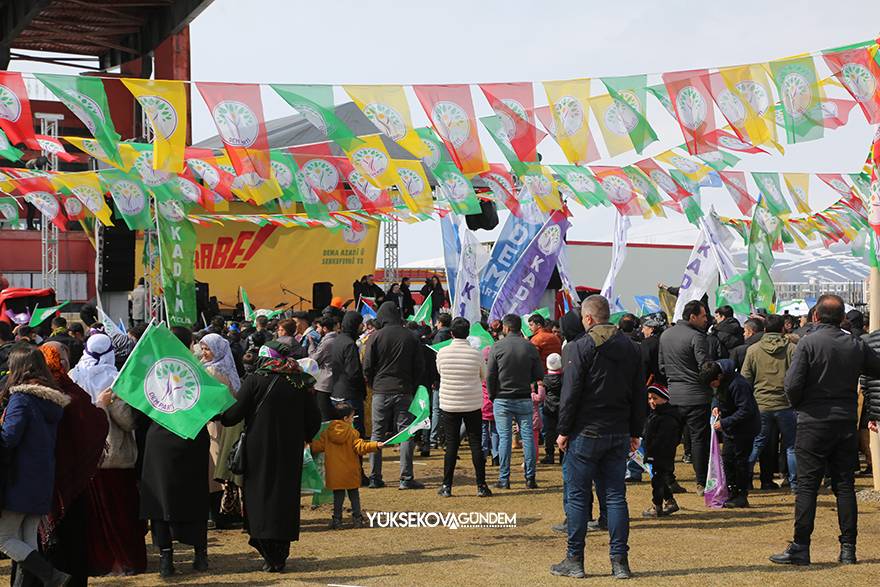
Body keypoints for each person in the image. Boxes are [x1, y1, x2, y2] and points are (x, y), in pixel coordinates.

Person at [771, 294, 880, 566]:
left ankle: (801, 546)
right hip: (844, 422)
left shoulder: (808, 343)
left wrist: (800, 405)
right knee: (845, 486)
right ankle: (848, 549)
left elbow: (792, 384)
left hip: (812, 420)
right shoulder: (854, 343)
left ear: (816, 317)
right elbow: (876, 366)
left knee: (807, 487)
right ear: (843, 317)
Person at [552, 295, 645, 579]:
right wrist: (635, 431)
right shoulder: (632, 347)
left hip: (586, 431)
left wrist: (563, 430)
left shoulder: (580, 347)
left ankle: (575, 560)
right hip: (618, 430)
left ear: (589, 319)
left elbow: (571, 394)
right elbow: (639, 392)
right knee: (616, 496)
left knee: (579, 498)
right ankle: (620, 563)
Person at [220, 340, 321, 573]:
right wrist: (302, 436)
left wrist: (219, 416)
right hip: (290, 451)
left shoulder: (255, 379)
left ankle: (267, 551)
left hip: (258, 450)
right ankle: (281, 554)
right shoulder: (299, 381)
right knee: (284, 498)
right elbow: (313, 421)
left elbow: (233, 415)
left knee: (259, 497)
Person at [139, 329, 233, 578]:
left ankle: (166, 559)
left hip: (159, 437)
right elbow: (218, 407)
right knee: (194, 495)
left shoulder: (155, 369)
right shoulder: (198, 370)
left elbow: (139, 405)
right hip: (192, 436)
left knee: (161, 498)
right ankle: (200, 554)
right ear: (188, 344)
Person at [68, 332, 146, 575]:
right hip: (116, 458)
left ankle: (98, 561)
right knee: (122, 513)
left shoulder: (73, 376)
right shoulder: (114, 380)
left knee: (94, 515)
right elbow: (127, 421)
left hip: (85, 457)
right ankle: (125, 560)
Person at [0, 346, 72, 586]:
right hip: (41, 478)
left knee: (4, 538)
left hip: (20, 479)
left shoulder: (22, 398)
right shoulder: (48, 398)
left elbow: (8, 438)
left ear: (18, 369)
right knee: (28, 542)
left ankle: (53, 576)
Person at [38, 342, 108, 587]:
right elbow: (93, 427)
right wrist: (101, 407)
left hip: (43, 481)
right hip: (72, 485)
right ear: (63, 363)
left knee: (45, 542)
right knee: (72, 542)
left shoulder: (33, 391)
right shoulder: (70, 393)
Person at [364, 301, 425, 490]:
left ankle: (375, 477)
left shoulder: (374, 337)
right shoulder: (411, 337)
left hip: (381, 390)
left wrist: (373, 384)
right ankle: (406, 478)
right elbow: (419, 367)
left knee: (377, 433)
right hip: (404, 390)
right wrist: (413, 387)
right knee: (406, 433)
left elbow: (367, 366)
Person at [435, 317, 492, 498]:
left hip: (449, 404)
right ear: (468, 334)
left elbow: (440, 371)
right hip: (472, 403)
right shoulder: (476, 354)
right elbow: (483, 376)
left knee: (452, 445)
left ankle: (446, 486)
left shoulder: (442, 352)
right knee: (476, 444)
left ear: (451, 333)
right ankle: (481, 486)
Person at [658, 299, 710, 494]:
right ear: (692, 316)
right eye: (703, 316)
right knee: (698, 440)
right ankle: (701, 482)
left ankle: (669, 479)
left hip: (674, 395)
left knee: (671, 441)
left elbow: (662, 366)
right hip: (697, 396)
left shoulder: (665, 335)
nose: (706, 319)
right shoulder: (697, 337)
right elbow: (704, 367)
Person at [741, 314, 797, 492]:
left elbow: (745, 379)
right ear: (783, 329)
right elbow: (797, 377)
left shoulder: (753, 350)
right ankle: (795, 484)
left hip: (761, 404)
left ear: (764, 329)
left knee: (757, 444)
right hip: (786, 405)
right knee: (791, 446)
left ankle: (744, 480)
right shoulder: (792, 349)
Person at [487, 314, 543, 490]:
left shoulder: (497, 347)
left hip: (502, 397)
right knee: (528, 438)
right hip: (524, 396)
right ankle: (530, 477)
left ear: (505, 327)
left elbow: (490, 375)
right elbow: (539, 375)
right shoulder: (530, 347)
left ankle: (504, 479)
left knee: (504, 439)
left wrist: (491, 395)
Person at [311, 402, 383, 529]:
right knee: (354, 496)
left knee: (338, 497)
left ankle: (337, 520)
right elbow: (361, 447)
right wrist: (375, 445)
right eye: (352, 417)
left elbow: (317, 446)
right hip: (350, 472)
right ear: (346, 419)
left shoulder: (327, 432)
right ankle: (357, 519)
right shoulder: (352, 433)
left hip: (334, 473)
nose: (352, 419)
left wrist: (306, 445)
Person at [701, 359, 761, 508]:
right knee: (728, 460)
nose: (712, 387)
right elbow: (716, 395)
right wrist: (715, 406)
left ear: (719, 377)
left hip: (744, 430)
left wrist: (724, 422)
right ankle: (731, 491)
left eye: (713, 383)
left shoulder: (739, 384)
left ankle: (741, 494)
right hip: (730, 430)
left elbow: (746, 410)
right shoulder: (720, 381)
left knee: (740, 462)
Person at [641, 384, 682, 518]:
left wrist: (652, 454)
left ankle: (657, 505)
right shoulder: (655, 415)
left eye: (655, 398)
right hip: (655, 454)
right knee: (660, 479)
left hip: (661, 455)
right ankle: (670, 501)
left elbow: (662, 441)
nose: (652, 401)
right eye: (650, 398)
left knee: (657, 481)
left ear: (664, 399)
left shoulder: (667, 419)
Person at [330, 311, 367, 436]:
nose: (363, 326)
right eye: (360, 323)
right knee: (355, 432)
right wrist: (362, 390)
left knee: (340, 431)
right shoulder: (350, 344)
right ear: (354, 324)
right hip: (350, 394)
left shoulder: (337, 340)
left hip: (336, 392)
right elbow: (354, 372)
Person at [429, 313, 453, 449]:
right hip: (450, 376)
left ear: (440, 322)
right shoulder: (452, 335)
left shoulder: (438, 336)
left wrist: (433, 377)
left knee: (437, 409)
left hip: (440, 377)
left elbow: (435, 358)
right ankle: (442, 436)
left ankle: (434, 438)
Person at [310, 316, 339, 420]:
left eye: (318, 327)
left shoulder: (327, 342)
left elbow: (314, 359)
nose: (317, 330)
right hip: (333, 381)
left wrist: (311, 345)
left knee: (324, 413)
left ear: (325, 328)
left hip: (324, 383)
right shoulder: (337, 338)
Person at [541, 353, 563, 465]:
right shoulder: (564, 378)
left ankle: (549, 455)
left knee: (549, 432)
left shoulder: (545, 379)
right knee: (562, 431)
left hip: (549, 407)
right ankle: (562, 455)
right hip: (562, 408)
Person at [480, 346, 499, 467]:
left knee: (483, 431)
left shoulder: (481, 372)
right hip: (495, 404)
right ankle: (496, 455)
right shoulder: (497, 372)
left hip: (483, 405)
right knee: (495, 432)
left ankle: (483, 455)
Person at [640, 313, 667, 386]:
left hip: (654, 385)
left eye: (644, 328)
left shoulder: (647, 343)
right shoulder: (668, 339)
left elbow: (644, 365)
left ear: (651, 329)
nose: (642, 331)